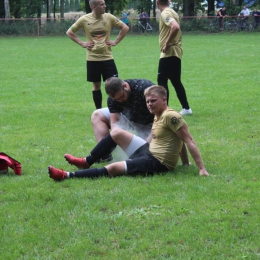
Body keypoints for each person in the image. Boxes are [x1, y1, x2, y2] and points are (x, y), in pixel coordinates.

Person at [48, 85, 209, 180]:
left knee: (113, 168)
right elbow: (176, 139)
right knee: (117, 133)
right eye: (147, 101)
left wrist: (201, 168)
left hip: (157, 163)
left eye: (153, 101)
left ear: (164, 100)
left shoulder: (172, 116)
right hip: (148, 151)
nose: (149, 105)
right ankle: (86, 161)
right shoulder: (158, 114)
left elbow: (188, 140)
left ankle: (67, 175)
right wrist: (185, 163)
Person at [66, 0, 129, 109]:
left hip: (107, 57)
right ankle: (99, 111)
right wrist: (82, 43)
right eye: (102, 4)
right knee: (96, 85)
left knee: (114, 85)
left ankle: (116, 110)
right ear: (94, 6)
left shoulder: (109, 17)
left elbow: (125, 27)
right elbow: (69, 32)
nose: (105, 6)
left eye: (104, 4)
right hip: (92, 59)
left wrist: (115, 41)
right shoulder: (84, 19)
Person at [91, 77, 155, 162]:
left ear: (125, 86)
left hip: (149, 123)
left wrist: (147, 143)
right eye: (116, 100)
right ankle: (105, 154)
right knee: (97, 115)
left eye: (122, 97)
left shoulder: (145, 89)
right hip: (128, 119)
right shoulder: (113, 99)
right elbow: (115, 122)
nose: (120, 101)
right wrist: (119, 138)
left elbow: (161, 118)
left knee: (146, 153)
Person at [156, 0, 192, 116]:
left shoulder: (165, 13)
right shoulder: (173, 12)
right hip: (176, 51)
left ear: (157, 2)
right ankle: (186, 108)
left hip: (169, 51)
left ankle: (164, 110)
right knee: (175, 80)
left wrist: (166, 43)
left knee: (162, 79)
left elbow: (175, 27)